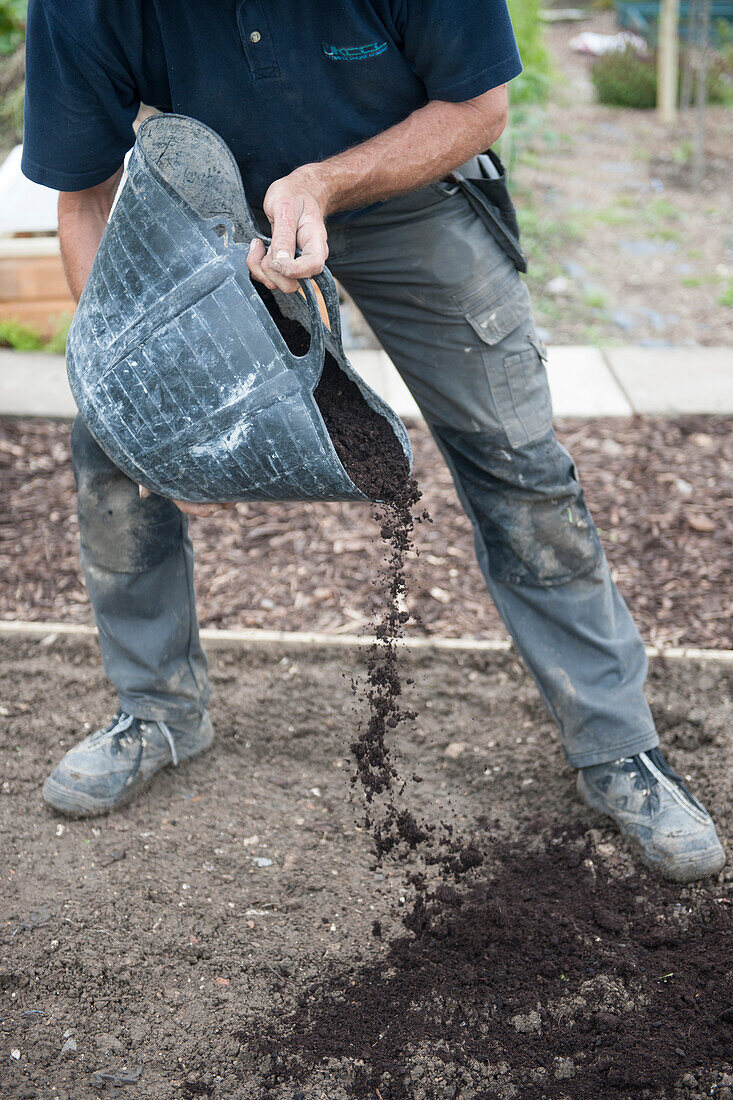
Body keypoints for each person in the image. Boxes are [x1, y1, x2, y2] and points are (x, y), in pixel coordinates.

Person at [21, 0, 724, 883]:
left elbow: (479, 110)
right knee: (111, 453)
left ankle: (617, 745)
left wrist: (320, 183)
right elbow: (86, 194)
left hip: (408, 192)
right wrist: (137, 402)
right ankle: (156, 709)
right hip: (210, 217)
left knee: (519, 461)